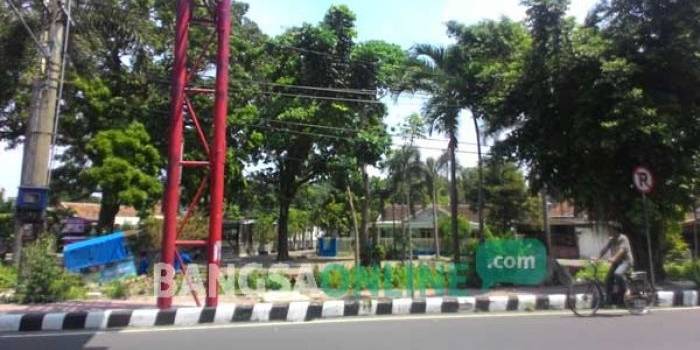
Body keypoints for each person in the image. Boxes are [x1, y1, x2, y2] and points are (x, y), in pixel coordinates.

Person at [595, 222, 635, 306]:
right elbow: (604, 249)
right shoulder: (612, 240)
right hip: (617, 263)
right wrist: (597, 257)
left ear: (616, 230)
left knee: (618, 273)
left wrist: (613, 258)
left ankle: (627, 290)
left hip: (626, 261)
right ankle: (609, 300)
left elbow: (622, 250)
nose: (609, 231)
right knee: (608, 280)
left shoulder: (623, 238)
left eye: (611, 229)